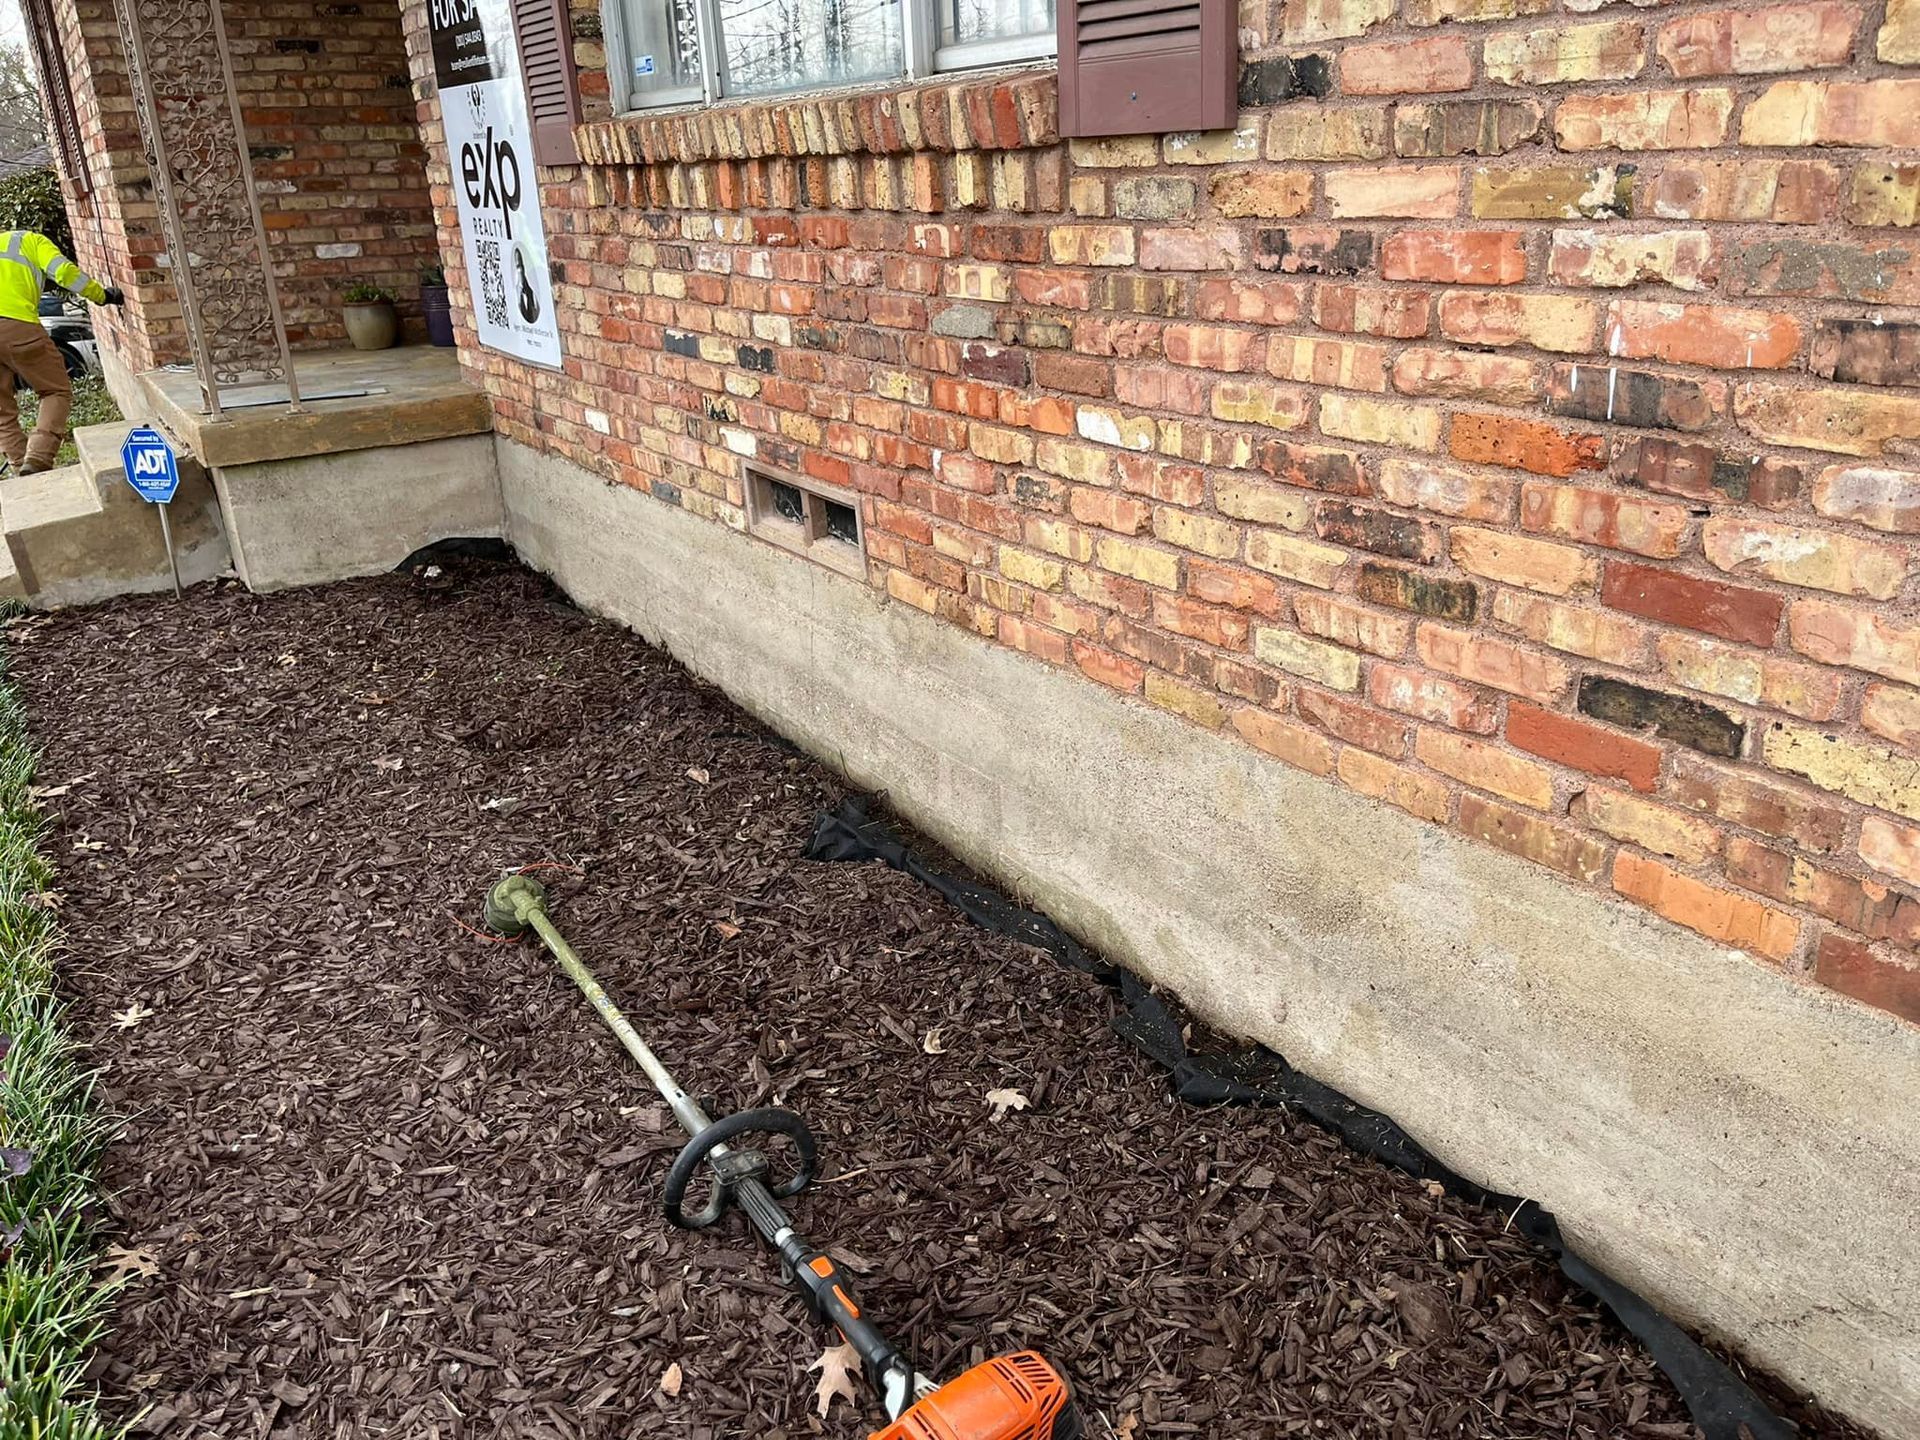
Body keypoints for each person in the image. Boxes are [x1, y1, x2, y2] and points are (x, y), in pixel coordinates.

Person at [0, 229, 123, 475]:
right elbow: (65, 272)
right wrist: (101, 296)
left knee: (1, 410)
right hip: (18, 327)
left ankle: (20, 466)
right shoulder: (28, 240)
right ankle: (38, 457)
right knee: (55, 390)